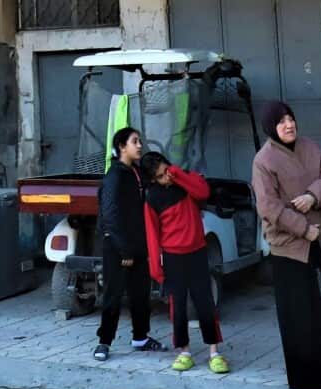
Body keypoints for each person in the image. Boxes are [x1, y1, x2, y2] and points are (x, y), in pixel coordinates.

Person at [251, 101, 321, 389]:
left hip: (320, 240)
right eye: (281, 121)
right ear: (271, 127)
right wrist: (302, 228)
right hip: (289, 246)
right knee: (299, 311)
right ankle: (308, 378)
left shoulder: (310, 147)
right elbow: (268, 207)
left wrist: (312, 196)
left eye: (291, 118)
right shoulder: (264, 161)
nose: (288, 125)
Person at [141, 151, 228, 374]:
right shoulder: (152, 198)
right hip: (173, 258)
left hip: (197, 253)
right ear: (152, 180)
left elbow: (204, 192)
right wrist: (155, 268)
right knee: (177, 307)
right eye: (160, 176)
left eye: (166, 170)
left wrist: (177, 174)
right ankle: (185, 352)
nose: (166, 177)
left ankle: (214, 353)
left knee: (205, 303)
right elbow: (152, 235)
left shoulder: (186, 180)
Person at [94, 127, 165, 361]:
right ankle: (104, 342)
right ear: (122, 147)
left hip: (137, 245)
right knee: (113, 294)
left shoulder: (136, 172)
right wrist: (123, 248)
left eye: (140, 141)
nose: (140, 145)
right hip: (118, 247)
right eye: (135, 142)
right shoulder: (115, 175)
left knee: (140, 293)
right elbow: (110, 214)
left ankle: (141, 337)